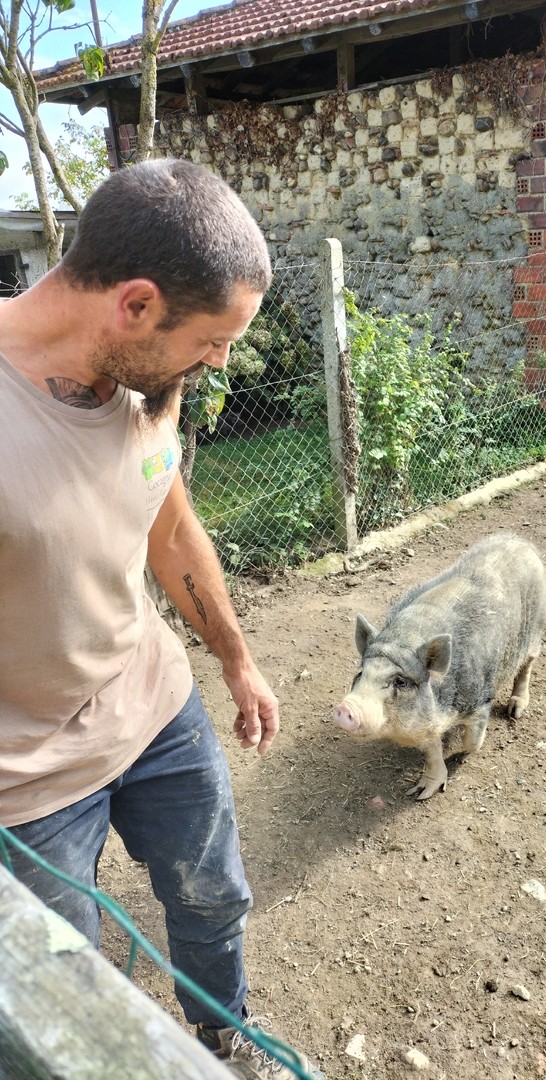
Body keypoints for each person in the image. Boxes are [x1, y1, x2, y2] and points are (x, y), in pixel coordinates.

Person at [0, 158, 325, 1080]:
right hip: (24, 778)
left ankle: (222, 1031)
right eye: (214, 339)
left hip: (154, 708)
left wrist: (236, 660)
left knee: (215, 894)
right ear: (136, 306)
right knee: (58, 996)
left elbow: (171, 532)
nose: (222, 361)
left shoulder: (144, 388)